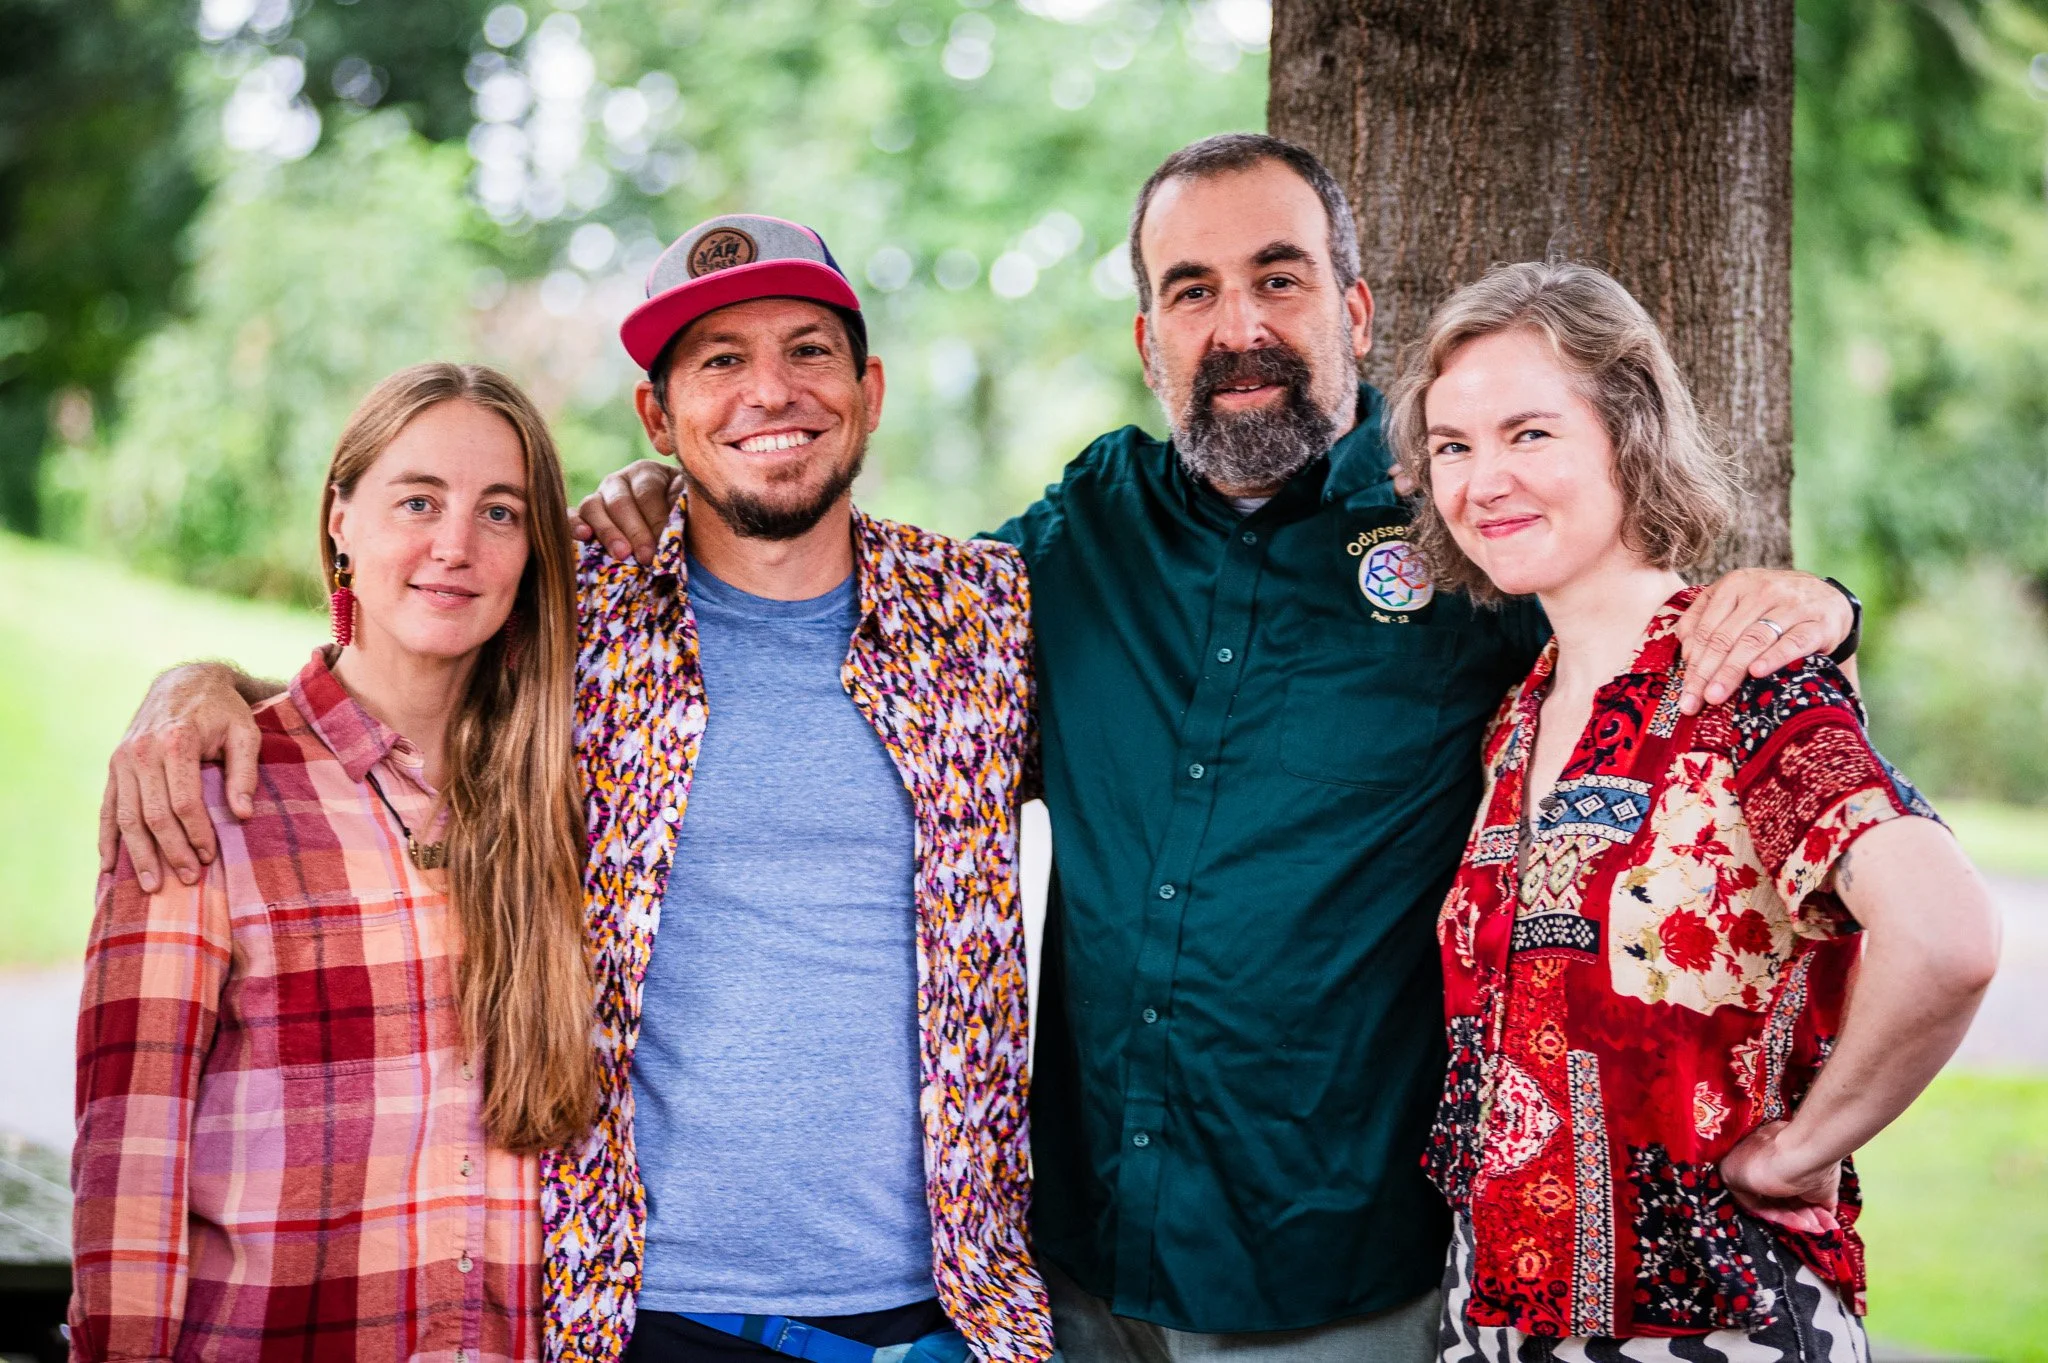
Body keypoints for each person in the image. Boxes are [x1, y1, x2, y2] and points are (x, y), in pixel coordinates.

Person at [571, 136, 1863, 1363]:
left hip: (1334, 1271)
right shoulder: (1081, 537)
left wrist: (1814, 612)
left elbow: (1645, 636)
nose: (1239, 326)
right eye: (1193, 290)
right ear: (1150, 339)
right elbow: (869, 618)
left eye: (1278, 278)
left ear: (1355, 311)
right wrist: (659, 499)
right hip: (1075, 1271)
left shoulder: (1468, 540)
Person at [94, 217, 1054, 1363]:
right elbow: (383, 682)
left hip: (950, 1309)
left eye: (808, 350)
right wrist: (197, 690)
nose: (769, 390)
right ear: (658, 414)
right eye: (719, 361)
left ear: (869, 387)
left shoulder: (986, 614)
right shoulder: (570, 614)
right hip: (637, 1312)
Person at [1387, 261, 1999, 1361]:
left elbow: (1946, 938)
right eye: (1451, 445)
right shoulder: (1517, 717)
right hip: (1491, 1322)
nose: (1482, 480)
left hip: (1713, 1327)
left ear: (1627, 432)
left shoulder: (1743, 683)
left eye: (1528, 433)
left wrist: (1800, 1146)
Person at [70, 362, 595, 1361]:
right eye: (417, 500)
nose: (455, 545)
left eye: (500, 512)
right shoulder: (212, 790)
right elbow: (129, 1185)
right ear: (340, 519)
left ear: (534, 551)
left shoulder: (561, 799)